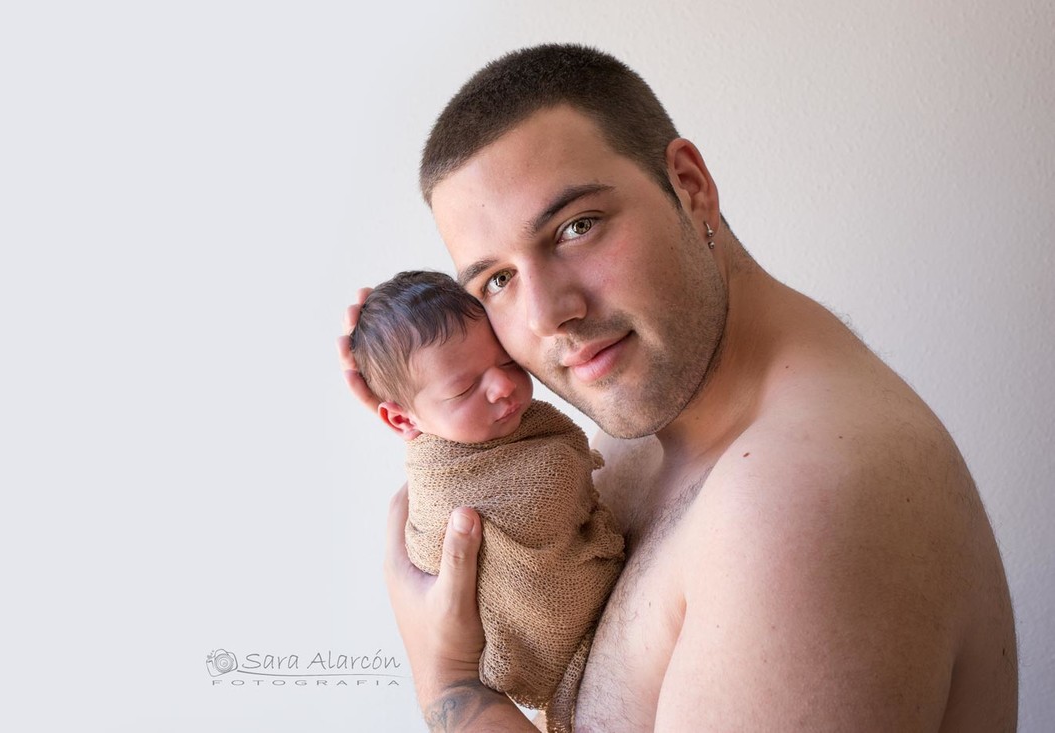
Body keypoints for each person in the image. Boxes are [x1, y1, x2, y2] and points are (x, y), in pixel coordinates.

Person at [337, 44, 1018, 731]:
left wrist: (449, 682)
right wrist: (425, 401)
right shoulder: (652, 419)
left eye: (577, 227)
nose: (548, 316)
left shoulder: (794, 504)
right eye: (498, 281)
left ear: (690, 185)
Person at [348, 270, 623, 732]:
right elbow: (543, 498)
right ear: (401, 421)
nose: (502, 387)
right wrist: (450, 673)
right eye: (463, 388)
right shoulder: (447, 489)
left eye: (508, 361)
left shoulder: (479, 424)